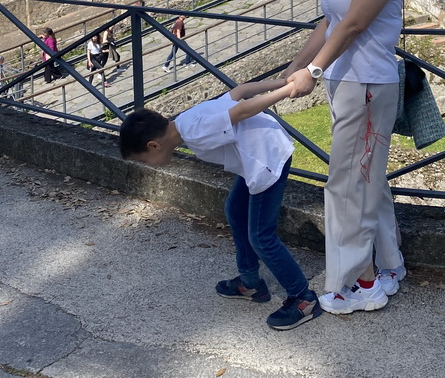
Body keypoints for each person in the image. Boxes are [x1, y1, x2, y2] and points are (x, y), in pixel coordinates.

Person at [283, 0, 406, 315]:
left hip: (367, 86)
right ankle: (388, 266)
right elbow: (329, 24)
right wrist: (299, 62)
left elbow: (353, 26)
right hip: (354, 86)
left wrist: (314, 71)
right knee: (367, 181)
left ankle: (358, 281)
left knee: (346, 185)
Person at [119, 78, 321, 331]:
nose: (149, 165)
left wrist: (287, 89)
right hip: (259, 155)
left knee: (261, 236)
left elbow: (242, 109)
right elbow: (240, 91)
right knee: (235, 211)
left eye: (144, 160)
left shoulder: (193, 130)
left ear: (153, 145)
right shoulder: (184, 121)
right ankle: (250, 283)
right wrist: (284, 79)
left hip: (266, 159)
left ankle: (303, 299)